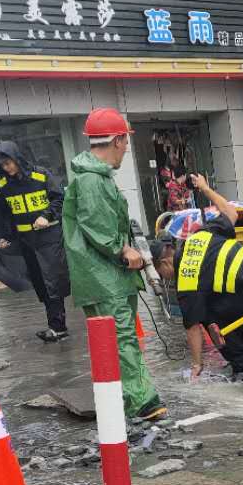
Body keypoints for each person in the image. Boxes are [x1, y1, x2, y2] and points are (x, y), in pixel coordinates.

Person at [62, 107, 165, 421]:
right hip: (104, 276)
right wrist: (123, 250)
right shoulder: (92, 180)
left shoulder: (95, 177)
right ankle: (141, 402)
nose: (126, 149)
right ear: (118, 140)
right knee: (122, 338)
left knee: (116, 339)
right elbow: (98, 226)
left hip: (104, 275)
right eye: (126, 142)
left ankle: (123, 397)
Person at [152, 174, 243, 381]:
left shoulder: (186, 276)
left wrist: (197, 365)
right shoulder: (200, 235)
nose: (165, 278)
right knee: (226, 306)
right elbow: (230, 212)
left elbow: (193, 327)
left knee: (210, 313)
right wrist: (205, 188)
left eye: (161, 274)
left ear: (164, 263)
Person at [0, 142, 71, 342]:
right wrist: (5, 236)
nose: (7, 168)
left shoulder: (41, 175)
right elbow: (6, 215)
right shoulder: (4, 185)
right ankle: (55, 325)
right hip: (27, 241)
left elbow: (60, 198)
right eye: (2, 166)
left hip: (49, 238)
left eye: (9, 163)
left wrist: (46, 215)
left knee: (52, 281)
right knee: (40, 283)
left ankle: (58, 327)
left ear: (17, 158)